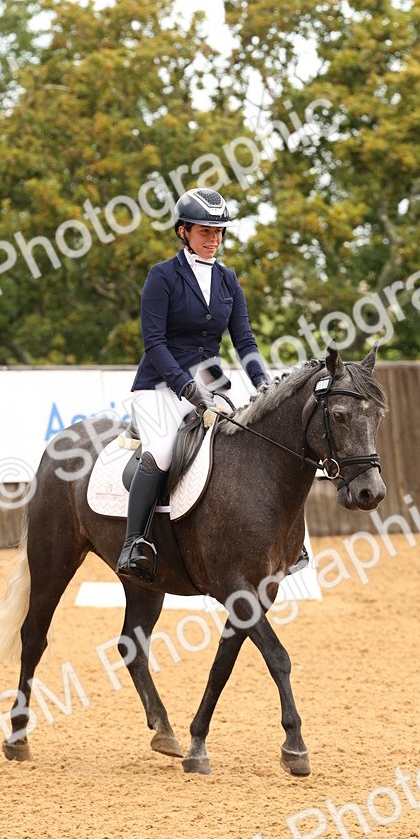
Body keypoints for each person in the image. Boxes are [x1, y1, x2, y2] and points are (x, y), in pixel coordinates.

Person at [115, 186, 272, 581]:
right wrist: (186, 387)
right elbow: (154, 341)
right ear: (183, 231)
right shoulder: (162, 276)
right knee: (164, 450)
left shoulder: (228, 280)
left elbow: (245, 340)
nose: (213, 239)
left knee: (248, 445)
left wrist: (264, 384)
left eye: (219, 232)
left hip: (211, 385)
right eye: (205, 231)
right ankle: (134, 543)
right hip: (159, 386)